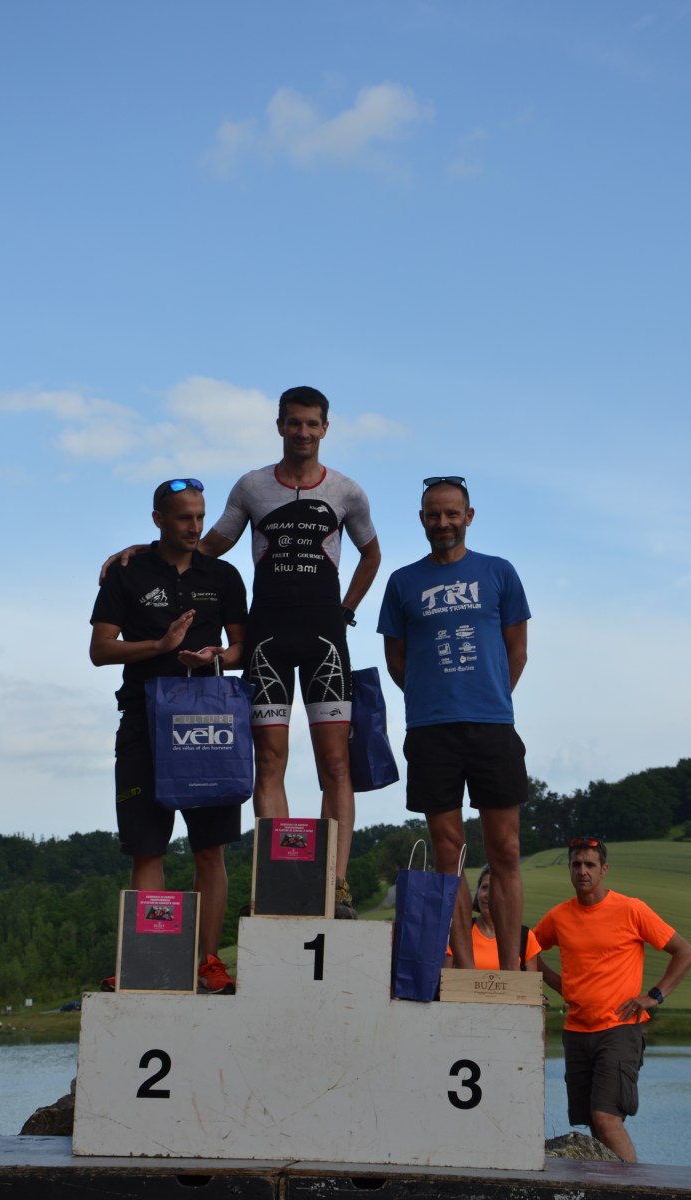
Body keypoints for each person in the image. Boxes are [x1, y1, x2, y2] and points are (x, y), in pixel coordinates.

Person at [102, 387, 381, 917]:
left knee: (336, 763)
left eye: (313, 424)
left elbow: (372, 553)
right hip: (267, 637)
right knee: (269, 761)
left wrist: (345, 611)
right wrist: (145, 551)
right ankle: (282, 882)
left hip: (325, 638)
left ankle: (336, 884)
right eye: (294, 423)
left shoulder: (347, 491)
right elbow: (207, 546)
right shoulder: (252, 486)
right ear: (280, 426)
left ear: (326, 428)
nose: (303, 432)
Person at [90, 478, 248, 993]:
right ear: (158, 519)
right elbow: (100, 649)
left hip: (207, 724)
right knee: (147, 849)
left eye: (200, 516)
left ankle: (208, 962)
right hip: (144, 720)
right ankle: (149, 962)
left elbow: (240, 649)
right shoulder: (127, 572)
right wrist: (159, 645)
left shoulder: (223, 575)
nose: (195, 527)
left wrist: (215, 658)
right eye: (183, 517)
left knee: (210, 849)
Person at [378, 476, 530, 969]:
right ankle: (465, 970)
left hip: (492, 726)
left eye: (451, 513)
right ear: (422, 519)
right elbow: (397, 661)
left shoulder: (499, 572)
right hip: (430, 731)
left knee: (505, 848)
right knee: (449, 852)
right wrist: (433, 698)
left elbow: (517, 650)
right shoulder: (402, 582)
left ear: (469, 516)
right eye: (433, 514)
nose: (442, 522)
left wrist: (488, 695)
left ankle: (509, 971)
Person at [534, 835, 691, 1162]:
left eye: (589, 865)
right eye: (576, 864)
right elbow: (529, 949)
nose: (582, 871)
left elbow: (685, 953)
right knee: (594, 1122)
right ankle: (609, 1184)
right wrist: (558, 984)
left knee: (606, 1117)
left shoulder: (631, 909)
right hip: (576, 1031)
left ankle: (636, 1186)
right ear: (569, 869)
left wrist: (654, 995)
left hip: (619, 1028)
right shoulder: (559, 916)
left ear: (604, 869)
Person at [445, 864, 542, 969]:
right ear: (477, 893)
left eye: (496, 889)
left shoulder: (526, 938)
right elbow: (445, 977)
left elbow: (530, 979)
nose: (488, 895)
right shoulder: (458, 933)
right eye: (484, 887)